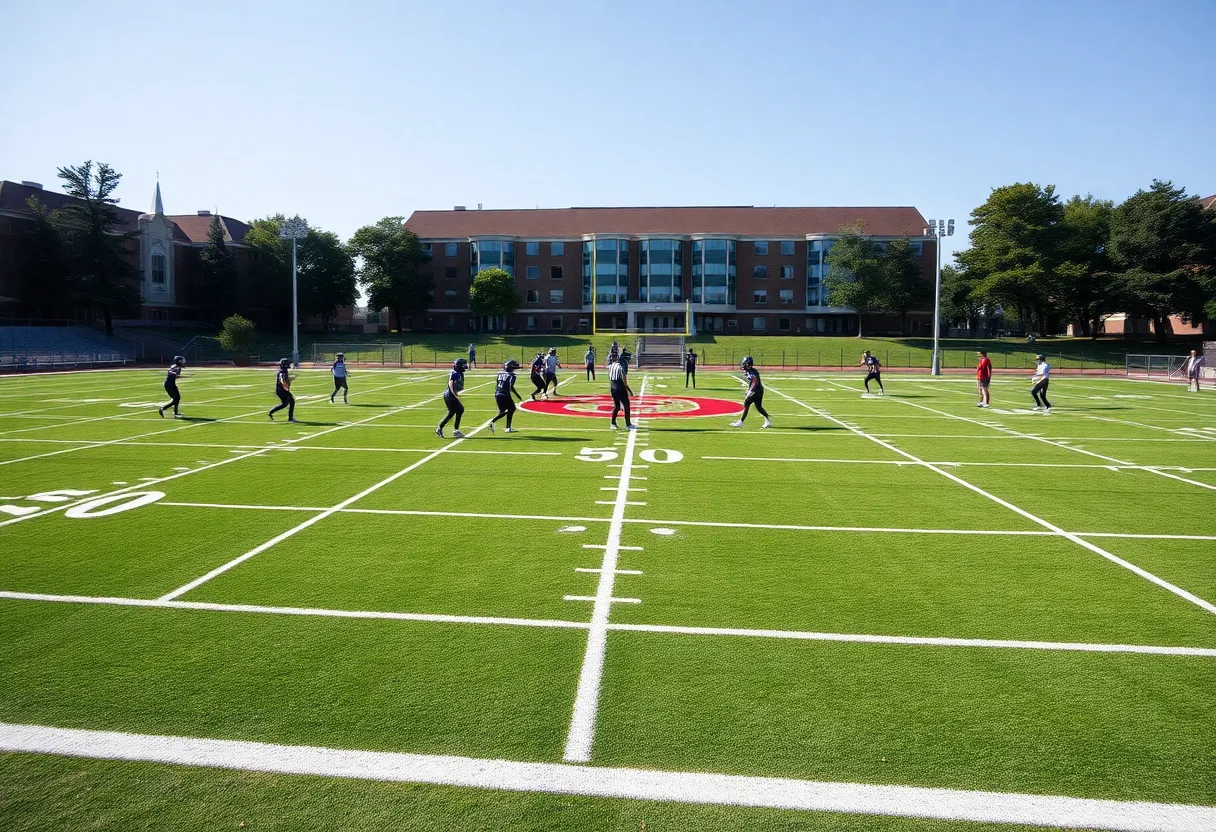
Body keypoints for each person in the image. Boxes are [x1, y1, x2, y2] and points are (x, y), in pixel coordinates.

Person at [730, 356, 771, 429]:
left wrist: (750, 390)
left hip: (756, 390)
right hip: (757, 390)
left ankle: (740, 422)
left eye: (745, 364)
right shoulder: (748, 371)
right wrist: (749, 389)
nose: (743, 365)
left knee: (747, 403)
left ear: (748, 364)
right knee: (758, 407)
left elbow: (755, 381)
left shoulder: (752, 371)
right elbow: (752, 381)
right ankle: (768, 419)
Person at [488, 359, 522, 433]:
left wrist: (496, 394)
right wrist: (517, 395)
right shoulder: (512, 375)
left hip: (498, 393)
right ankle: (502, 425)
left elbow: (497, 384)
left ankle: (505, 427)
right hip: (505, 394)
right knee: (512, 409)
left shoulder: (500, 373)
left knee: (503, 411)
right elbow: (511, 387)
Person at [436, 358, 468, 438]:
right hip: (449, 395)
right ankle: (453, 430)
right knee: (460, 409)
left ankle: (443, 428)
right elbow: (450, 383)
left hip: (450, 394)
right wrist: (455, 394)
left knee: (454, 411)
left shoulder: (458, 373)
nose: (465, 367)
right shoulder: (455, 373)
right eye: (463, 365)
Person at [608, 349, 636, 430]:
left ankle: (613, 424)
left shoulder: (611, 365)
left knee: (616, 406)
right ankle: (628, 425)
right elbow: (625, 382)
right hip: (620, 386)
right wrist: (630, 391)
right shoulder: (621, 367)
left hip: (612, 386)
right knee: (626, 405)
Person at [269, 358, 297, 422]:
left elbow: (285, 379)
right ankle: (291, 418)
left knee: (285, 404)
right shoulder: (282, 372)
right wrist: (285, 385)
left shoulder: (283, 371)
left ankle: (271, 412)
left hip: (280, 390)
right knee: (292, 402)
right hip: (282, 390)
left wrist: (290, 379)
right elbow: (282, 379)